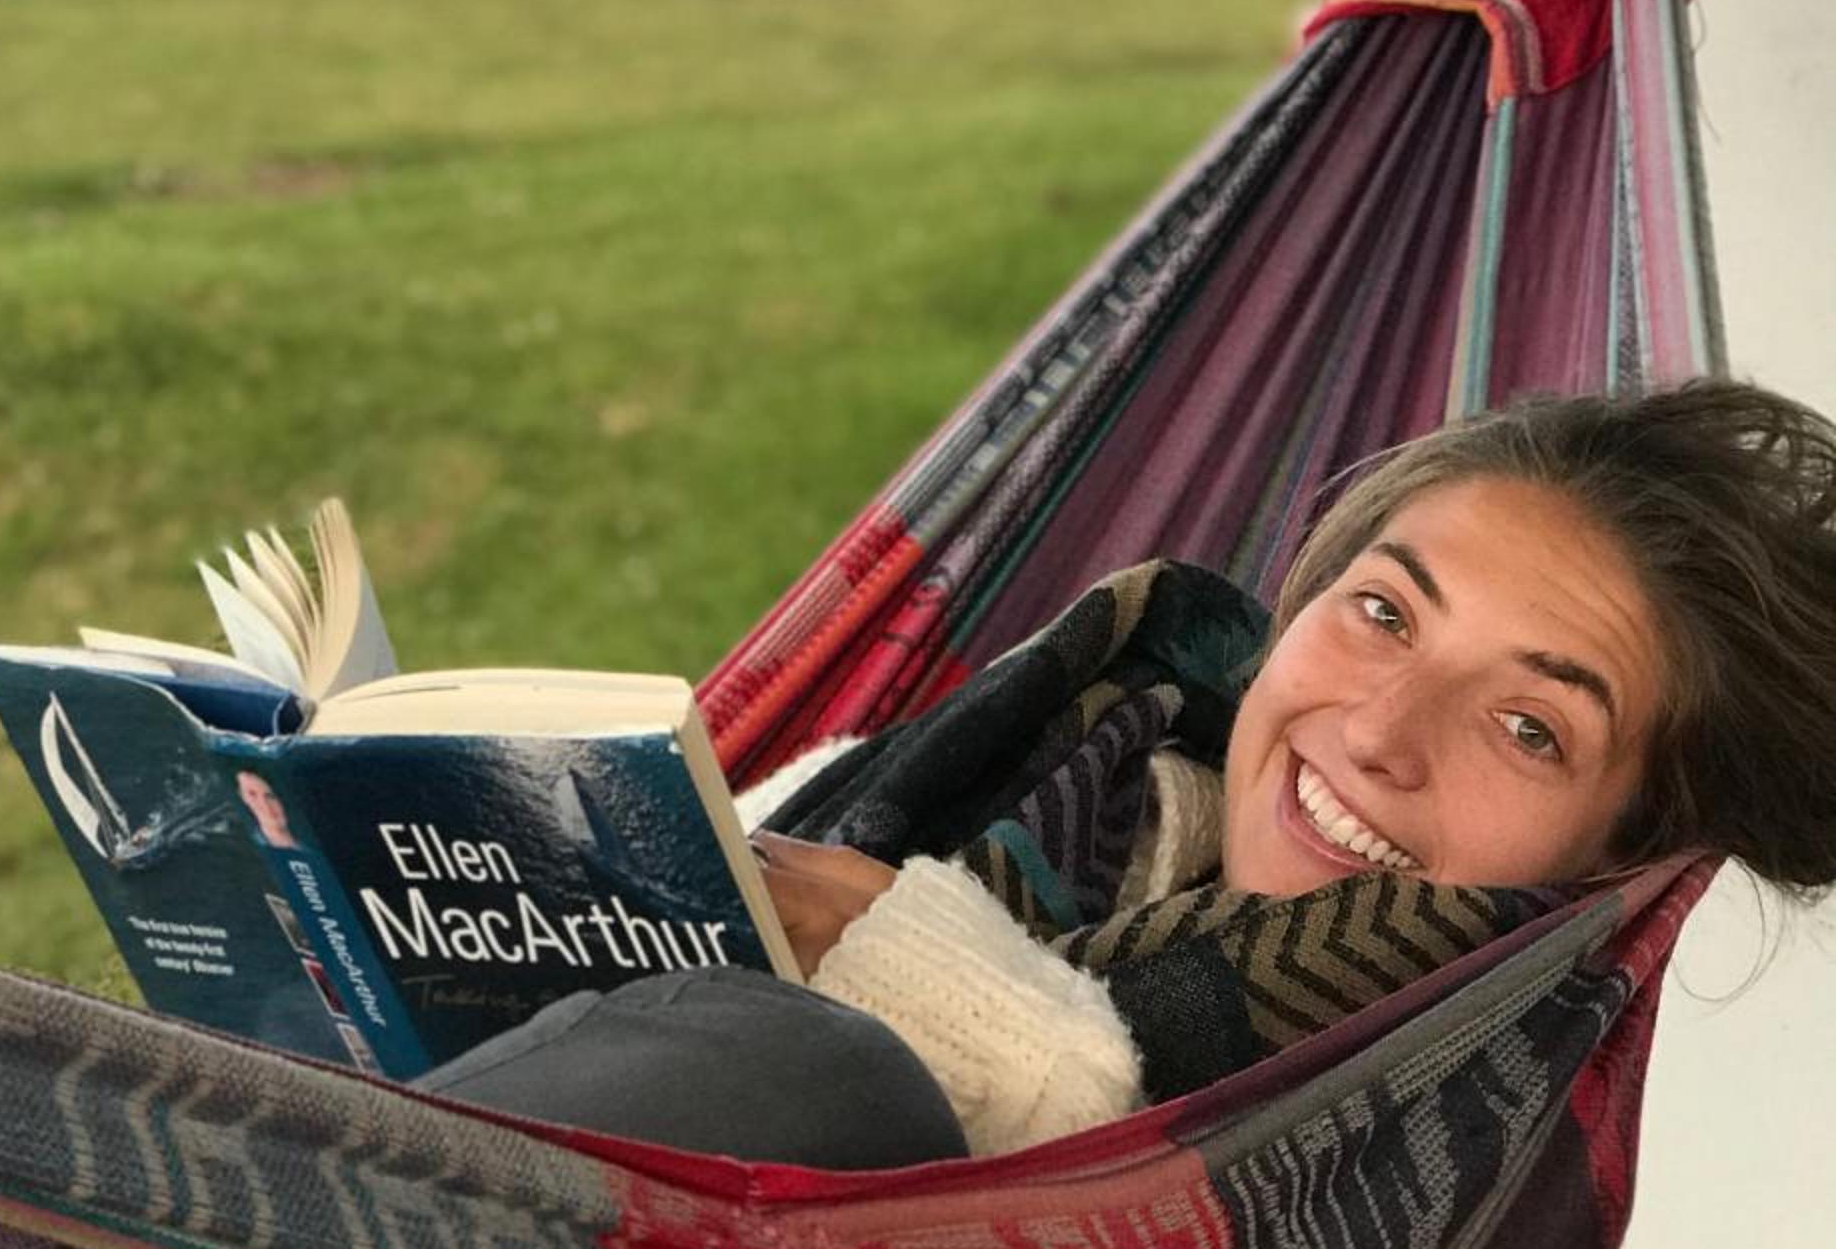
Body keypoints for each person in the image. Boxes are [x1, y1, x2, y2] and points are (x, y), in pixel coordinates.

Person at [418, 380, 1836, 1166]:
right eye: (1382, 611)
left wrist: (956, 1002)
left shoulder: (1454, 1129)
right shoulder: (1074, 768)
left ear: (1621, 862)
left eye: (1529, 728)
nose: (1379, 732)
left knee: (810, 1071)